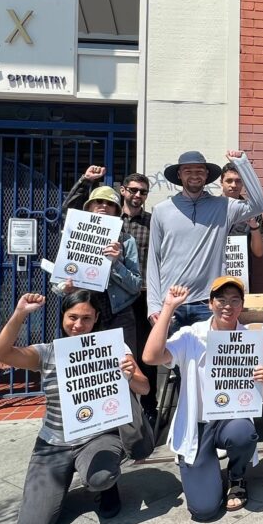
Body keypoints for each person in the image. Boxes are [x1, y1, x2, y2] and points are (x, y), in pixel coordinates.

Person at [0, 291, 149, 524]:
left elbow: (144, 388)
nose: (78, 324)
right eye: (72, 317)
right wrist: (20, 313)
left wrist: (131, 375)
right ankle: (59, 483)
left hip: (97, 437)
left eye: (86, 318)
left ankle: (105, 486)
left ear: (96, 317)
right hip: (53, 443)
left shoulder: (113, 347)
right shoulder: (48, 352)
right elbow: (0, 354)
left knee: (100, 477)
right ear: (63, 316)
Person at [142, 276, 263, 520]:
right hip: (197, 426)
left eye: (235, 300)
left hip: (230, 421)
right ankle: (201, 468)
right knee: (204, 509)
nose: (227, 305)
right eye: (221, 299)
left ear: (242, 306)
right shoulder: (191, 335)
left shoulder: (249, 341)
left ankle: (236, 475)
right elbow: (150, 356)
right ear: (210, 304)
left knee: (243, 434)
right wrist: (168, 307)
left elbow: (258, 397)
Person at [146, 150, 263, 333]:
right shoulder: (162, 210)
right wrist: (154, 304)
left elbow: (258, 205)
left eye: (200, 171)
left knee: (210, 360)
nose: (195, 175)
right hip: (171, 303)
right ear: (179, 175)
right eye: (188, 171)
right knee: (170, 360)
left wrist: (242, 163)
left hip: (208, 303)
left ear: (207, 175)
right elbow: (154, 259)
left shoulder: (223, 206)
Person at [61, 169, 142, 355]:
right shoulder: (75, 235)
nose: (103, 206)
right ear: (89, 207)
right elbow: (59, 282)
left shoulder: (126, 240)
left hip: (119, 315)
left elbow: (136, 285)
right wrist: (64, 288)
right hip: (83, 315)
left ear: (116, 211)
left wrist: (115, 263)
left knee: (123, 368)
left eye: (110, 204)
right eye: (98, 202)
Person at [118, 171, 158, 423]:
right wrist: (86, 182)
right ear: (123, 190)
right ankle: (121, 405)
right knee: (119, 352)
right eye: (132, 190)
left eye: (142, 192)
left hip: (143, 296)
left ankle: (149, 405)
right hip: (114, 299)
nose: (137, 195)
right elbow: (70, 214)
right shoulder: (109, 219)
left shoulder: (153, 222)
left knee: (146, 352)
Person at [220, 162, 263, 259]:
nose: (233, 185)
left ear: (243, 183)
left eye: (238, 181)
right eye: (229, 180)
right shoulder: (211, 208)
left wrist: (254, 227)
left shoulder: (252, 211)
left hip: (241, 271)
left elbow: (259, 252)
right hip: (215, 272)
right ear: (221, 182)